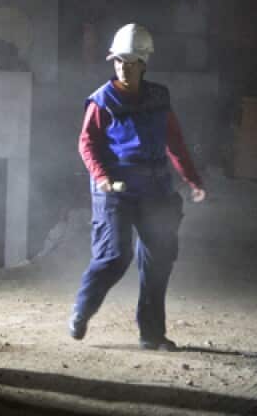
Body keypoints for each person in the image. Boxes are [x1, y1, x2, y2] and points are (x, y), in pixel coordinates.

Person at [69, 23, 207, 351]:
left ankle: (151, 333)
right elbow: (87, 144)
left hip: (155, 189)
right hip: (115, 189)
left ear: (145, 63)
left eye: (131, 62)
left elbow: (173, 140)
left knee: (159, 257)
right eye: (118, 61)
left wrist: (191, 178)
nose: (124, 68)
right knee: (115, 256)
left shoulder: (159, 97)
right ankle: (82, 309)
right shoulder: (102, 101)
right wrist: (102, 178)